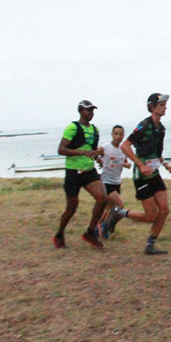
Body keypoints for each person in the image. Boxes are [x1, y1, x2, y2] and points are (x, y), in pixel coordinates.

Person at [104, 93, 171, 255]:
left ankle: (150, 245)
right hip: (141, 175)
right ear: (152, 107)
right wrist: (140, 165)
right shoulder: (144, 125)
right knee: (151, 215)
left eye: (165, 104)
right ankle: (119, 213)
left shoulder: (161, 129)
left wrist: (165, 164)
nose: (165, 107)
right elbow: (125, 145)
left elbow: (157, 152)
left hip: (154, 173)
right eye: (161, 105)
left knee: (164, 210)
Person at [54, 100, 107, 249]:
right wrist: (82, 152)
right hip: (73, 172)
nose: (91, 113)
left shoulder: (95, 130)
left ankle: (90, 232)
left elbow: (92, 149)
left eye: (92, 110)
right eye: (88, 110)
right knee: (72, 207)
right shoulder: (72, 128)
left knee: (102, 199)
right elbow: (61, 149)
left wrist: (98, 158)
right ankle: (59, 234)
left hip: (89, 171)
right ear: (80, 111)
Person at [97, 125, 131, 239]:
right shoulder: (105, 147)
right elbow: (94, 154)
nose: (118, 136)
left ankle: (97, 228)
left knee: (108, 208)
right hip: (106, 182)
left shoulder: (123, 150)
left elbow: (125, 162)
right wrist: (99, 161)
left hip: (117, 182)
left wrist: (127, 165)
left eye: (120, 134)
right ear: (112, 134)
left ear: (123, 136)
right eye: (116, 133)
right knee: (120, 206)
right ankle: (105, 227)